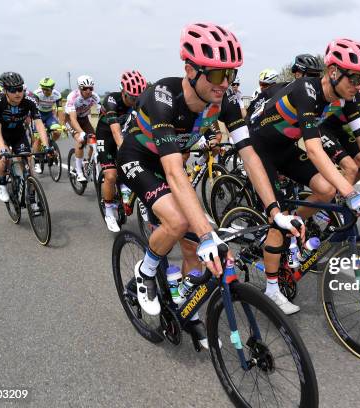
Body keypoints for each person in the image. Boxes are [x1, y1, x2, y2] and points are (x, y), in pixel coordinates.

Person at [117, 22, 302, 342]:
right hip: (138, 159)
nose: (225, 83)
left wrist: (275, 211)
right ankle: (146, 271)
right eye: (217, 74)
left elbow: (249, 155)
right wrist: (207, 233)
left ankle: (185, 304)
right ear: (190, 69)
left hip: (171, 160)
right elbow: (174, 172)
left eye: (231, 74)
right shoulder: (163, 97)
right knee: (179, 222)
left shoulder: (227, 101)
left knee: (193, 247)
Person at [248, 38, 360, 314]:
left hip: (284, 147)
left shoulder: (346, 97)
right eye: (355, 77)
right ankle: (271, 288)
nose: (359, 84)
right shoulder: (306, 91)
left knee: (326, 190)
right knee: (276, 221)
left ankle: (292, 230)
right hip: (259, 148)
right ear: (334, 72)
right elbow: (314, 150)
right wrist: (350, 194)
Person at [97, 70, 147, 232]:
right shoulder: (111, 100)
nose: (135, 101)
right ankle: (109, 209)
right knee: (111, 175)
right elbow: (115, 131)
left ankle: (128, 189)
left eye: (137, 98)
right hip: (106, 134)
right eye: (132, 97)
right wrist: (127, 153)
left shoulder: (140, 102)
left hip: (125, 132)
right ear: (123, 92)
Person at [0, 72, 51, 204]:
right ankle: (1, 183)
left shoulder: (29, 101)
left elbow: (39, 124)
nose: (18, 93)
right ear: (5, 90)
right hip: (2, 135)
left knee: (28, 163)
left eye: (20, 89)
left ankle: (32, 200)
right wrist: (2, 150)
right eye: (13, 90)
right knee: (4, 160)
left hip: (19, 135)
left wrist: (46, 146)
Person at [64, 75, 101, 182]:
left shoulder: (95, 97)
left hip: (84, 119)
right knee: (81, 140)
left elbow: (102, 114)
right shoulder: (73, 97)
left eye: (91, 88)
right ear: (80, 88)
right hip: (71, 120)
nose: (88, 91)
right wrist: (81, 133)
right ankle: (79, 172)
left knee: (95, 141)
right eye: (85, 88)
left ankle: (87, 162)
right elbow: (73, 118)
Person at [31, 77, 65, 173]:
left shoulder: (57, 95)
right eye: (43, 89)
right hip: (38, 115)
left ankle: (50, 144)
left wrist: (61, 125)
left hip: (49, 115)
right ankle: (37, 161)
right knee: (38, 138)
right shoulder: (37, 94)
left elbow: (60, 111)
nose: (45, 91)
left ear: (52, 88)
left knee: (57, 132)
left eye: (47, 89)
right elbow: (33, 110)